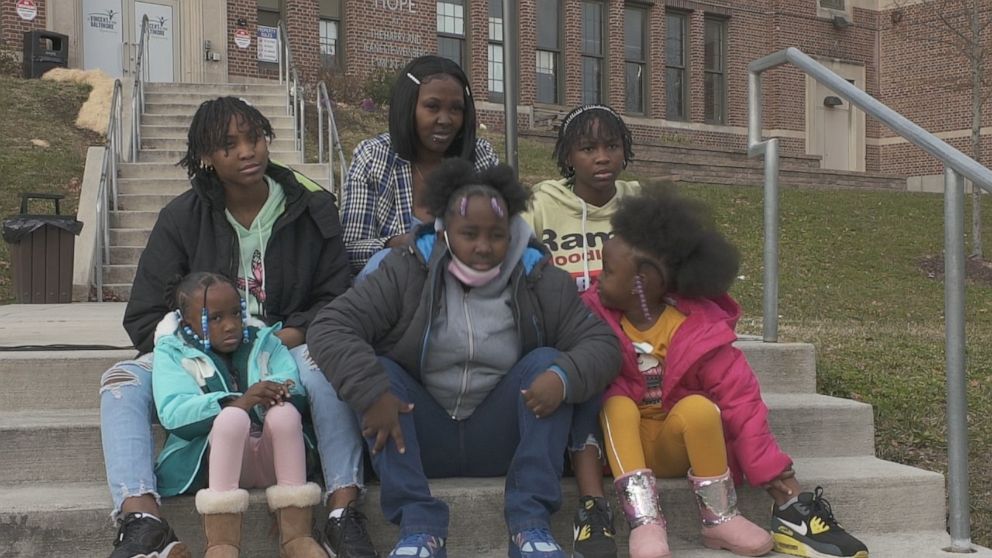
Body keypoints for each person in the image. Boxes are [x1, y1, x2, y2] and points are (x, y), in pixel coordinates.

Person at [99, 97, 377, 558]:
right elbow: (145, 315)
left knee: (330, 369)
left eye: (255, 138)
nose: (247, 151)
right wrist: (203, 347)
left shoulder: (309, 209)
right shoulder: (182, 218)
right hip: (199, 356)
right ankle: (142, 517)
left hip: (282, 347)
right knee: (120, 381)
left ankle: (342, 508)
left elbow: (336, 298)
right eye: (229, 145)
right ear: (207, 156)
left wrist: (282, 337)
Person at [306, 159, 621, 558]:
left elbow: (601, 343)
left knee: (547, 362)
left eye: (496, 235)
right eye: (469, 234)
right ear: (444, 230)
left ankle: (530, 528)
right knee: (380, 373)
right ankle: (420, 532)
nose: (484, 247)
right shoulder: (406, 271)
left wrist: (562, 377)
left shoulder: (538, 276)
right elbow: (330, 326)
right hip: (420, 435)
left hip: (501, 436)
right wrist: (371, 392)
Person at [582, 188, 870, 558]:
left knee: (701, 408)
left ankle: (720, 518)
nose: (595, 278)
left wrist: (780, 482)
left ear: (643, 283)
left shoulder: (699, 332)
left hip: (672, 445)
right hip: (623, 446)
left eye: (607, 271)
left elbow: (743, 405)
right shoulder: (592, 316)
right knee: (616, 404)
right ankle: (645, 522)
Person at [521, 104, 641, 558]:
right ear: (568, 156)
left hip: (626, 328)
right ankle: (591, 500)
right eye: (588, 148)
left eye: (611, 146)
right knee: (586, 357)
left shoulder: (637, 202)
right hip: (563, 328)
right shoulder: (542, 202)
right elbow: (517, 263)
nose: (602, 157)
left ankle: (605, 491)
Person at [152, 272, 323, 557]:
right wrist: (237, 402)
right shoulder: (173, 352)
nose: (231, 325)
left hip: (272, 458)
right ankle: (222, 544)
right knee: (232, 418)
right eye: (215, 318)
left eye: (236, 313)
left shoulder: (264, 341)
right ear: (187, 322)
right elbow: (173, 411)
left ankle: (296, 537)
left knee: (284, 415)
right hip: (214, 462)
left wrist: (274, 393)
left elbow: (292, 382)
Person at [340, 54, 499, 275]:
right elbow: (349, 251)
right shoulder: (374, 156)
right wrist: (400, 244)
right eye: (432, 107)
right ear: (408, 107)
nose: (445, 120)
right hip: (393, 295)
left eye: (455, 109)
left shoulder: (481, 156)